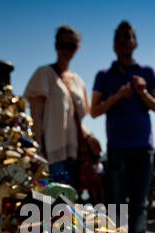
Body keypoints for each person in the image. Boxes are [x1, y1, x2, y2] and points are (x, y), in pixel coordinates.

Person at [91, 21, 155, 233]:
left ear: (135, 42)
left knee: (139, 206)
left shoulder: (147, 73)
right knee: (117, 207)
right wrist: (116, 96)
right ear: (114, 45)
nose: (123, 41)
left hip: (142, 148)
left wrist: (143, 93)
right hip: (117, 149)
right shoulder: (104, 75)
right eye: (119, 37)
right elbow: (93, 110)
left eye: (127, 36)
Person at [23, 24, 101, 188]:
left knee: (70, 207)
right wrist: (38, 150)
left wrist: (89, 137)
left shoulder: (78, 81)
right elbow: (36, 115)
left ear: (77, 48)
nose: (66, 50)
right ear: (55, 46)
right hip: (51, 153)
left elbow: (76, 119)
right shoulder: (44, 74)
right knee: (53, 207)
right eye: (61, 44)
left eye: (70, 46)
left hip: (75, 154)